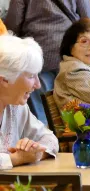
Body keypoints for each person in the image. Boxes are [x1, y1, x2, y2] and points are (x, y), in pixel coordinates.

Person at [5, 0, 90, 124]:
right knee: (74, 109)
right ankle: (71, 139)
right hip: (70, 52)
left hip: (39, 52)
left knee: (40, 113)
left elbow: (13, 23)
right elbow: (87, 17)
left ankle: (44, 140)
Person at [0, 34, 59, 170]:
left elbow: (49, 138)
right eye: (31, 76)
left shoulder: (16, 106)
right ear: (5, 80)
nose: (38, 85)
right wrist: (18, 158)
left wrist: (35, 151)